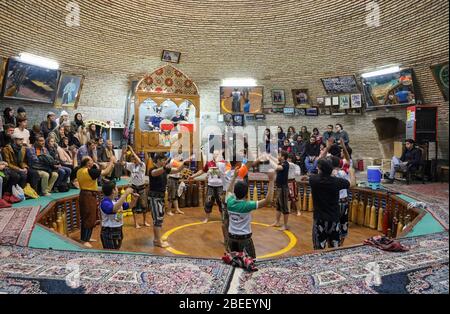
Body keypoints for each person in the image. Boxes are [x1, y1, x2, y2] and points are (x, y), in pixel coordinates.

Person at [225, 166, 275, 258]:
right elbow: (267, 201)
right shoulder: (247, 205)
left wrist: (234, 177)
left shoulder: (229, 202)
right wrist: (271, 180)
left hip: (231, 237)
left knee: (234, 260)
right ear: (246, 194)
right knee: (251, 261)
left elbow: (228, 191)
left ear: (235, 193)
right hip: (244, 238)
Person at [309, 158, 356, 250]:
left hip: (319, 219)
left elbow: (317, 164)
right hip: (333, 218)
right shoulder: (337, 181)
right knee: (334, 249)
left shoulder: (313, 180)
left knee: (318, 248)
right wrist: (351, 172)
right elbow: (353, 184)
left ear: (319, 169)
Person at [148, 153, 189, 248]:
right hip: (154, 197)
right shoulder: (152, 170)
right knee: (157, 219)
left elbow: (177, 170)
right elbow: (155, 173)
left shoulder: (165, 170)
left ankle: (156, 239)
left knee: (160, 219)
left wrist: (184, 164)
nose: (164, 161)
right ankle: (158, 240)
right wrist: (165, 167)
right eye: (162, 160)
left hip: (161, 197)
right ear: (158, 160)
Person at [77, 156, 115, 248]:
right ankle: (85, 240)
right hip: (89, 196)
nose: (92, 161)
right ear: (87, 163)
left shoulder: (79, 170)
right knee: (89, 218)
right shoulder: (90, 171)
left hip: (83, 194)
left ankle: (85, 237)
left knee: (87, 217)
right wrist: (111, 161)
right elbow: (106, 172)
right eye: (91, 160)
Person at [190, 150, 225, 223]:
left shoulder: (223, 163)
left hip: (220, 186)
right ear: (213, 155)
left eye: (217, 154)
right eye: (215, 154)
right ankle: (207, 218)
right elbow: (202, 171)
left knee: (222, 202)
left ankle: (223, 217)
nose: (216, 156)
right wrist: (193, 176)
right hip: (210, 186)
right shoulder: (209, 163)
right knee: (208, 202)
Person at [99, 182, 135, 250]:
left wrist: (134, 198)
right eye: (116, 187)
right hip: (108, 230)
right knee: (111, 252)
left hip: (118, 228)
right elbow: (114, 209)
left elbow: (130, 205)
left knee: (117, 250)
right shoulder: (105, 202)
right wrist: (125, 194)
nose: (117, 189)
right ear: (113, 191)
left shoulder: (117, 200)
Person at [121, 146, 150, 229]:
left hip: (142, 187)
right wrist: (123, 154)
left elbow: (139, 160)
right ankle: (136, 223)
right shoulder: (131, 165)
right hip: (134, 187)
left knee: (144, 205)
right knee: (134, 206)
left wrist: (132, 150)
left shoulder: (142, 165)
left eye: (135, 158)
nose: (134, 160)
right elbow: (122, 162)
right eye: (133, 158)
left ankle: (144, 221)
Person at [267, 151, 290, 231]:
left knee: (284, 207)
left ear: (283, 157)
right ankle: (277, 222)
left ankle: (285, 225)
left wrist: (269, 159)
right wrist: (269, 156)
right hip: (279, 187)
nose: (278, 156)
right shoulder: (281, 162)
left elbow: (276, 167)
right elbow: (275, 162)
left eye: (279, 155)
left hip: (283, 188)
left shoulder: (286, 164)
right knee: (278, 206)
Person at [166, 152, 186, 216]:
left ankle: (177, 209)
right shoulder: (173, 161)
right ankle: (168, 210)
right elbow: (179, 167)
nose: (181, 157)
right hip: (171, 179)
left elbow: (181, 170)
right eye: (180, 156)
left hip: (176, 179)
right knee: (171, 195)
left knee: (175, 195)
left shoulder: (177, 161)